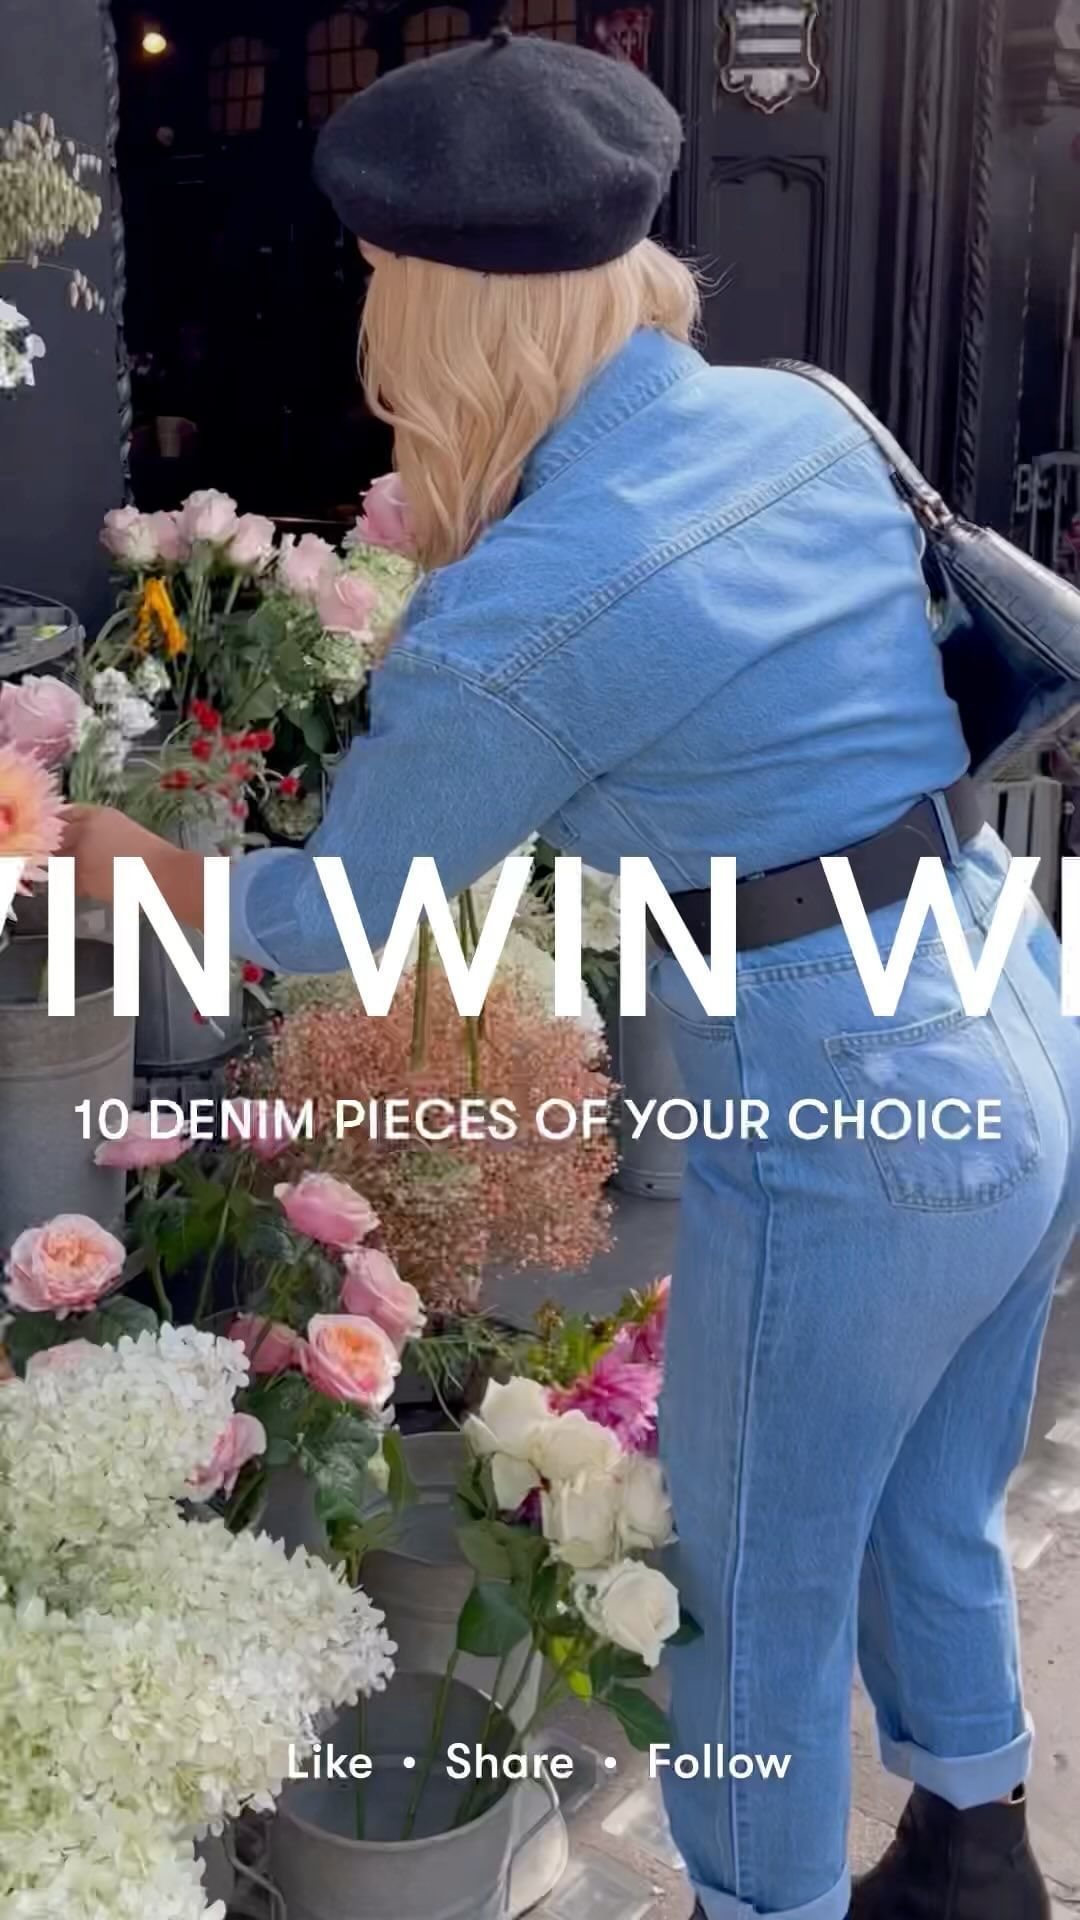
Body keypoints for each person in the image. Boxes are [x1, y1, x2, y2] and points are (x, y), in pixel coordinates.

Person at [65, 31, 1074, 1920]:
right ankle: (975, 1845)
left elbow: (348, 913)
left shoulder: (528, 605)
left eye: (384, 288)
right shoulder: (798, 414)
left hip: (846, 1098)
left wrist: (134, 866)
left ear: (439, 320)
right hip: (1004, 993)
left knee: (747, 1599)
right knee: (932, 1502)